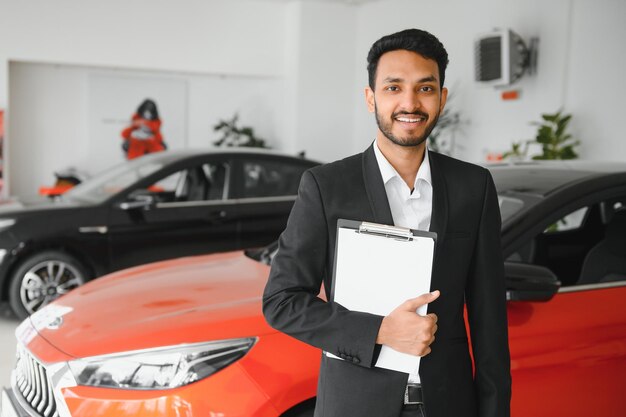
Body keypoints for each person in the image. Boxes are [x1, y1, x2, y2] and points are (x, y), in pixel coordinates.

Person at [263, 28, 511, 417]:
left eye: (425, 88)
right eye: (393, 88)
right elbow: (282, 302)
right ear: (370, 97)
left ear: (442, 99)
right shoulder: (326, 187)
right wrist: (379, 331)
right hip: (356, 405)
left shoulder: (473, 187)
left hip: (447, 404)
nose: (409, 102)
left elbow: (489, 322)